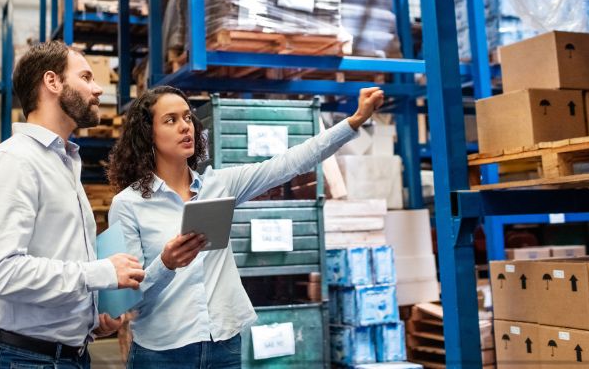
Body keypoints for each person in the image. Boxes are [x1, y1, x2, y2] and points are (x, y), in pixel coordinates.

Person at [106, 85, 384, 368]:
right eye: (170, 120)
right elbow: (126, 299)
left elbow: (289, 163)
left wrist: (355, 121)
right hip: (162, 353)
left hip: (224, 345)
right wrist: (166, 264)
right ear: (147, 134)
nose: (184, 127)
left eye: (187, 117)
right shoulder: (127, 205)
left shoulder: (219, 185)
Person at [0, 41, 145, 368]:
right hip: (19, 358)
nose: (98, 88)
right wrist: (100, 273)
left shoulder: (63, 161)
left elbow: (58, 257)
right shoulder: (15, 161)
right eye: (87, 77)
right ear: (53, 82)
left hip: (65, 354)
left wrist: (90, 316)